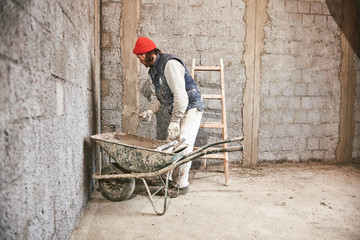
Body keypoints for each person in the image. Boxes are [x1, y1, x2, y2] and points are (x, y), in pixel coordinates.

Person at [133, 37, 204, 197]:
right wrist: (150, 111)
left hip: (190, 107)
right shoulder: (153, 71)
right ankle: (165, 177)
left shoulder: (169, 64)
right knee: (170, 144)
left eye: (140, 56)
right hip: (178, 108)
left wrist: (175, 121)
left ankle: (180, 185)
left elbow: (181, 96)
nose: (140, 60)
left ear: (149, 53)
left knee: (183, 145)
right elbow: (156, 98)